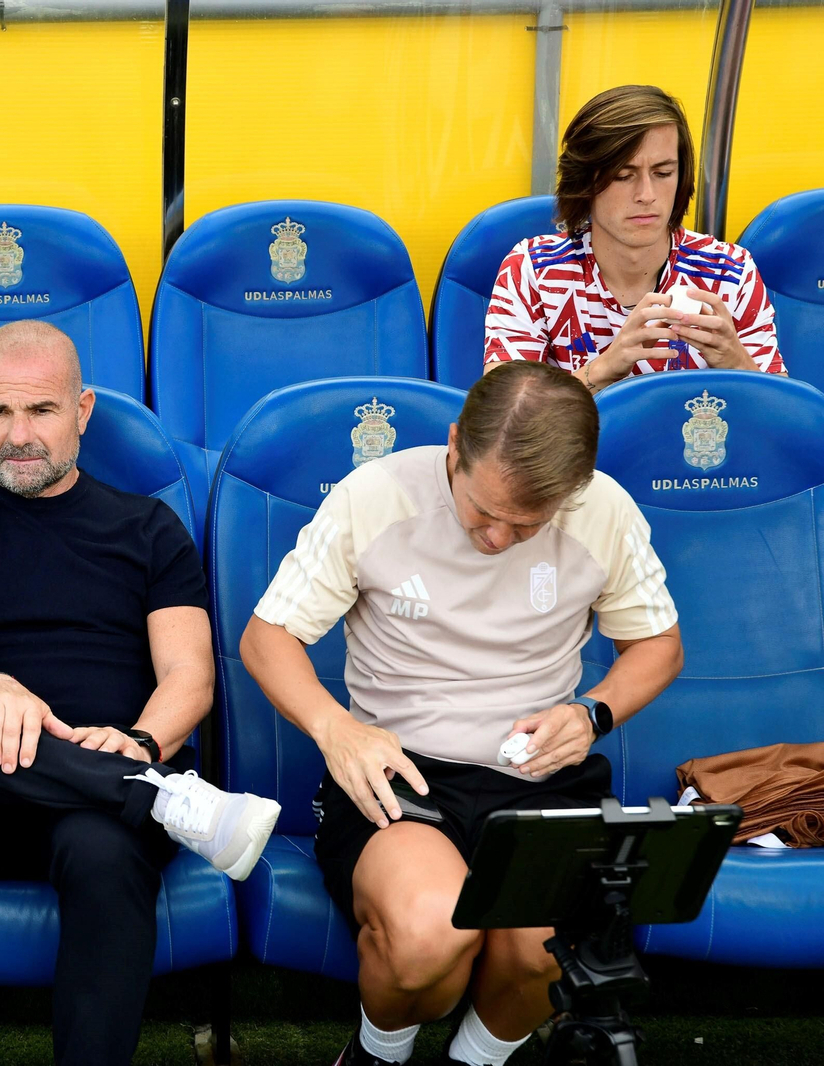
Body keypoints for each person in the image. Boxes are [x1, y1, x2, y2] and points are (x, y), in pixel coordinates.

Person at [240, 361, 683, 1066]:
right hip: (403, 771)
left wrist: (591, 714)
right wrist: (337, 730)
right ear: (454, 444)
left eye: (526, 524)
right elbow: (267, 638)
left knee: (549, 953)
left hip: (539, 776)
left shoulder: (604, 510)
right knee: (428, 934)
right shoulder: (376, 496)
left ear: (571, 492)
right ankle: (378, 1055)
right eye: (482, 512)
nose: (498, 538)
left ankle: (474, 1061)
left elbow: (658, 645)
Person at [0, 319, 280, 1066]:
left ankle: (133, 786)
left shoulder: (148, 527)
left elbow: (189, 674)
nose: (18, 434)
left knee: (103, 853)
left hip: (100, 805)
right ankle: (155, 795)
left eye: (41, 410)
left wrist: (143, 742)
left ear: (82, 411)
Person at [484, 84, 785, 389]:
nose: (646, 195)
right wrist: (603, 370)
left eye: (663, 173)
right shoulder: (532, 270)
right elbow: (506, 412)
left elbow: (782, 412)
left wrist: (737, 362)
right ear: (584, 182)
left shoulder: (730, 270)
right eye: (623, 176)